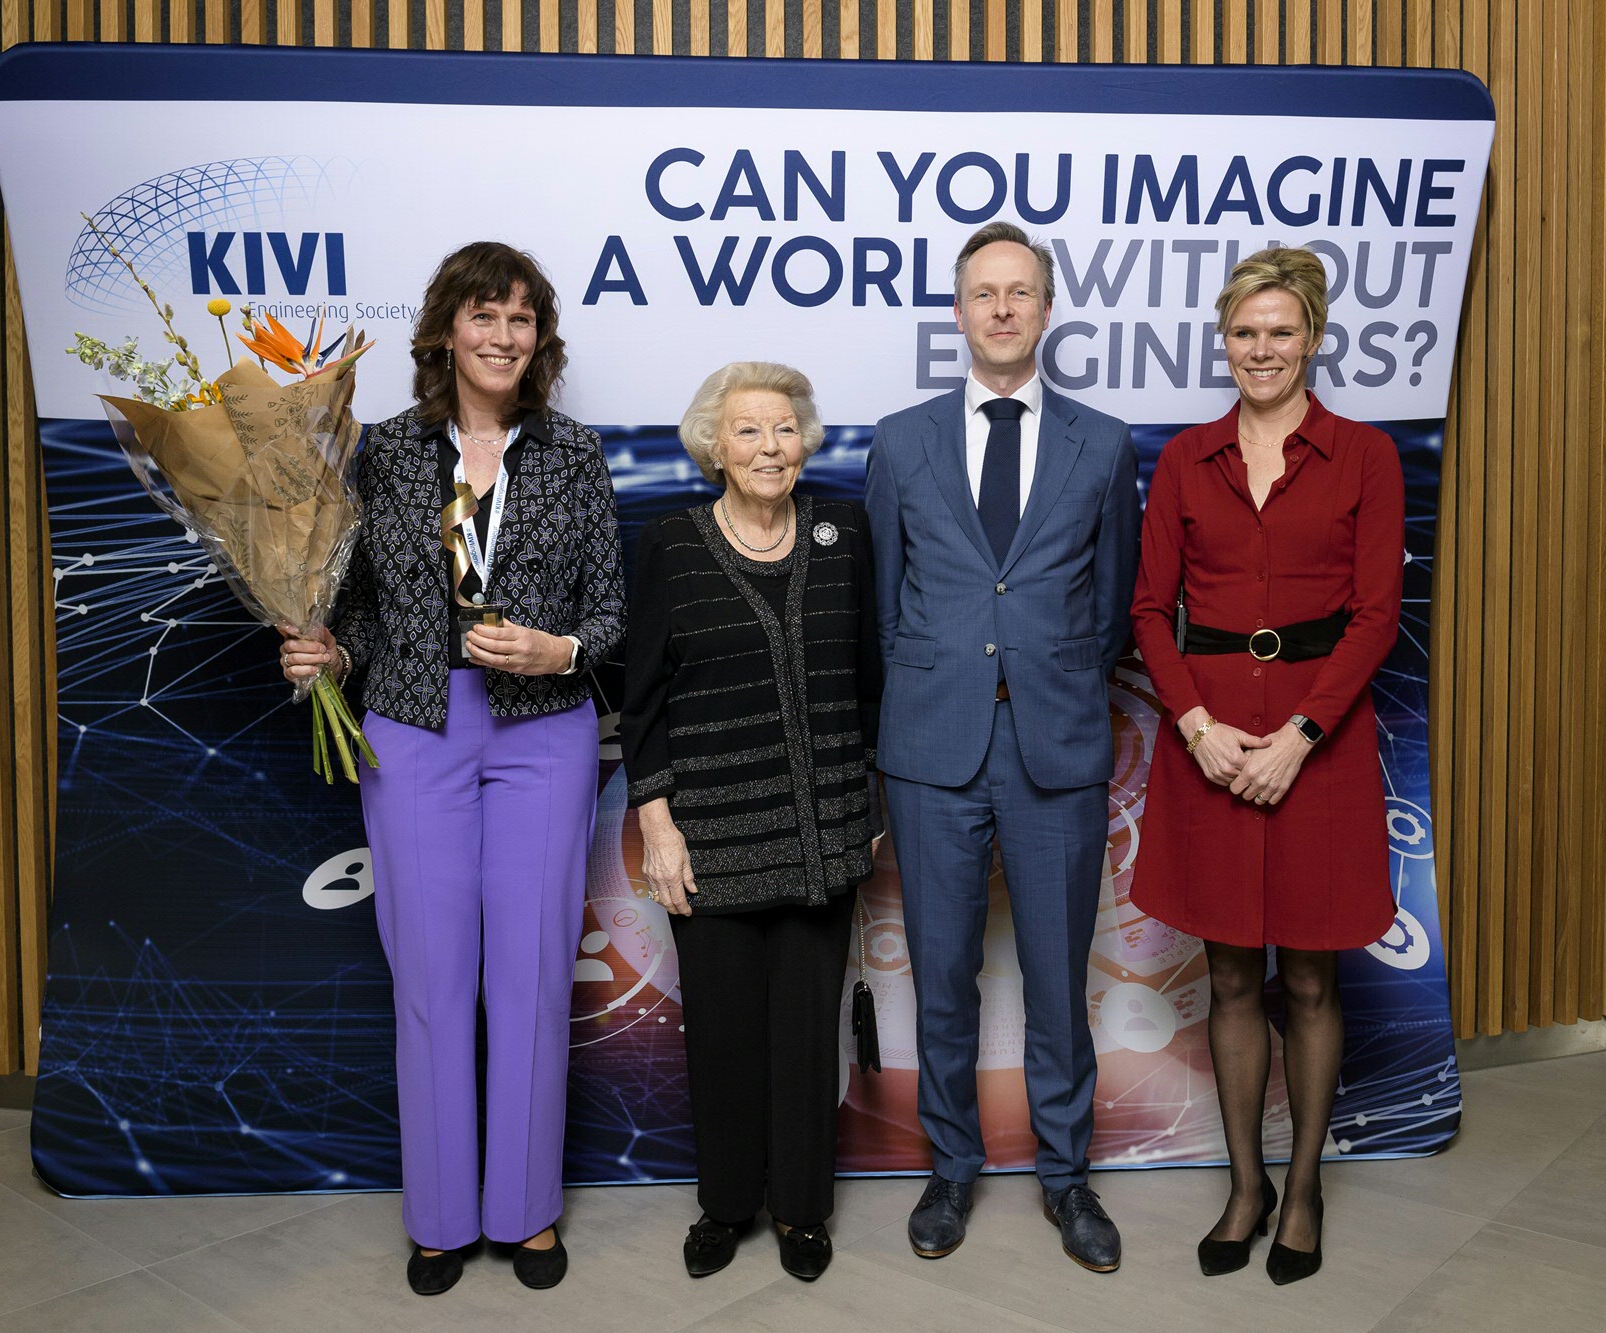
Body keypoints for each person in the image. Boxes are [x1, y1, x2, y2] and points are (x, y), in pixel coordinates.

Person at [278, 242, 625, 1296]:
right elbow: (364, 613)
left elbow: (612, 610)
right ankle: (438, 1217)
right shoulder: (383, 451)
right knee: (430, 976)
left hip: (544, 729)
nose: (504, 336)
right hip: (415, 727)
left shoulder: (572, 452)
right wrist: (326, 652)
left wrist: (557, 649)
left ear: (540, 339)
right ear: (443, 331)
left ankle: (523, 1213)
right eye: (485, 316)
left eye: (522, 319)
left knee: (526, 973)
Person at [865, 221, 1141, 1273]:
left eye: (1019, 292)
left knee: (1053, 977)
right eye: (983, 293)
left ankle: (1067, 1180)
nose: (1000, 309)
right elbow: (885, 605)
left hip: (1055, 747)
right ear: (956, 309)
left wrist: (1043, 675)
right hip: (931, 751)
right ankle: (950, 1169)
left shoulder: (1101, 442)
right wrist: (938, 688)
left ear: (1044, 307)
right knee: (939, 974)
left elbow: (1108, 606)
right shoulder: (900, 439)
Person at [1127, 246, 1404, 1285]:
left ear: (1313, 338)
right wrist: (1196, 724)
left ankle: (1302, 1190)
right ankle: (1242, 1185)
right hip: (1207, 739)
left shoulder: (1363, 456)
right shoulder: (1185, 457)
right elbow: (1148, 611)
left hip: (1314, 741)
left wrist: (1297, 736)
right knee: (1231, 973)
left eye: (1279, 331)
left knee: (1312, 977)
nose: (1261, 349)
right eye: (1244, 332)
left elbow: (1376, 617)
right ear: (1222, 338)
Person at [620, 362, 879, 1284]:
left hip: (825, 828)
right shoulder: (670, 544)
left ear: (805, 441)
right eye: (748, 431)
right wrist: (656, 820)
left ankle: (803, 1211)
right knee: (724, 1031)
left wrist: (872, 804)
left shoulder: (845, 536)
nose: (770, 447)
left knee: (808, 1033)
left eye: (784, 429)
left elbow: (871, 676)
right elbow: (640, 693)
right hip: (712, 832)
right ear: (713, 447)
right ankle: (727, 1203)